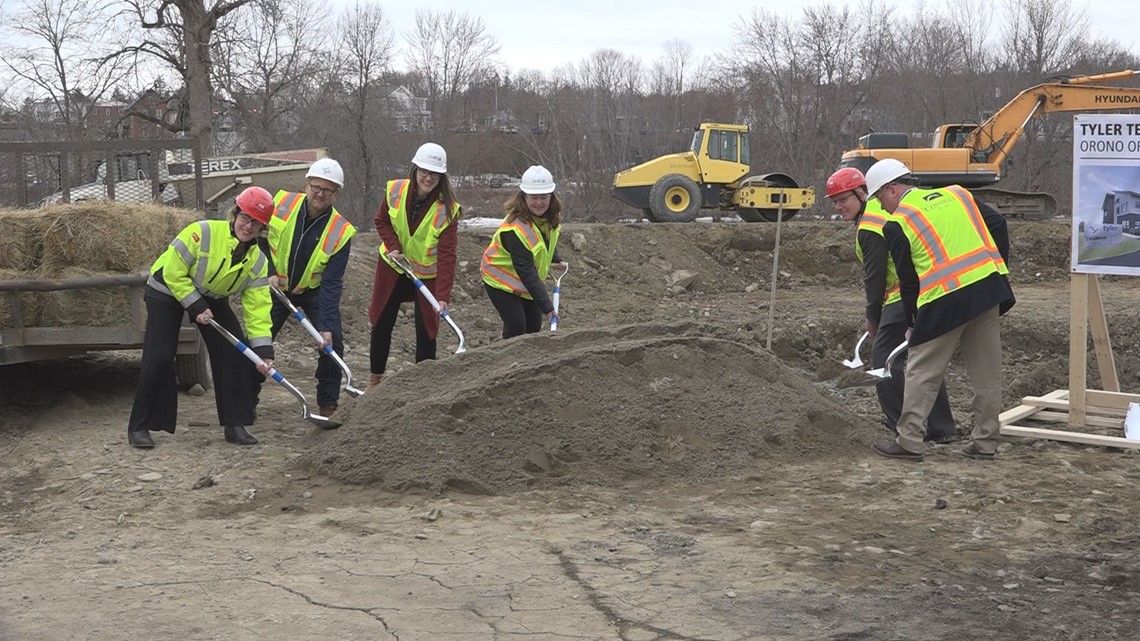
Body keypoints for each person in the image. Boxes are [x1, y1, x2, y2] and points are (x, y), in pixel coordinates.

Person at [863, 158, 1014, 462]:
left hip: (944, 299)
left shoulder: (898, 222)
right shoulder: (957, 194)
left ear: (893, 189)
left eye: (879, 198)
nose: (880, 206)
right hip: (987, 290)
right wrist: (996, 268)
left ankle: (909, 442)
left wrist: (912, 322)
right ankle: (985, 443)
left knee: (921, 371)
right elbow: (998, 223)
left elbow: (908, 281)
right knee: (987, 374)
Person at [127, 187, 276, 449]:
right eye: (246, 218)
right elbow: (173, 271)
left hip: (211, 296)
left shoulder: (258, 261)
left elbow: (258, 307)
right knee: (159, 356)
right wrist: (195, 306)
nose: (249, 226)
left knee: (234, 353)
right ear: (235, 214)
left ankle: (235, 424)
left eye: (257, 223)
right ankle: (141, 426)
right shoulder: (202, 232)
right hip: (167, 289)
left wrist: (262, 349)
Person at [825, 167, 956, 443]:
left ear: (862, 194)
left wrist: (872, 317)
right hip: (927, 290)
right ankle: (942, 428)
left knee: (884, 357)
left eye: (843, 199)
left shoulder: (870, 227)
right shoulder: (879, 209)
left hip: (903, 295)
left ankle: (899, 423)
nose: (838, 207)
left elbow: (875, 277)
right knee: (923, 359)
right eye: (834, 201)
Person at [255, 158, 356, 418]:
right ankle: (245, 400)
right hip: (275, 285)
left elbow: (333, 283)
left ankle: (328, 403)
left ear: (336, 194)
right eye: (316, 187)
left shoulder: (341, 231)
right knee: (258, 340)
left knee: (332, 342)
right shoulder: (281, 204)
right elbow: (258, 239)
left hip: (313, 290)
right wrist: (268, 272)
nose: (320, 194)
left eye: (328, 190)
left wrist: (325, 326)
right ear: (306, 185)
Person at [367, 143, 462, 390]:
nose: (428, 177)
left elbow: (448, 255)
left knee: (427, 327)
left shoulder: (448, 209)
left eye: (434, 173)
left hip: (426, 274)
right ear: (415, 169)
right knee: (382, 320)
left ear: (442, 176)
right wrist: (393, 245)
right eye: (423, 171)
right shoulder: (395, 190)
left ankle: (424, 384)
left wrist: (442, 297)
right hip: (393, 267)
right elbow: (382, 221)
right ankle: (375, 380)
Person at [481, 165, 568, 338]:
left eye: (544, 197)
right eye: (534, 197)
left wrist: (555, 258)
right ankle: (508, 361)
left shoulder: (549, 218)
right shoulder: (515, 230)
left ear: (551, 196)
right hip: (500, 280)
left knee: (533, 327)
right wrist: (548, 308)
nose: (539, 202)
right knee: (517, 326)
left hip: (523, 282)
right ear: (524, 197)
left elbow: (545, 242)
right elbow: (526, 271)